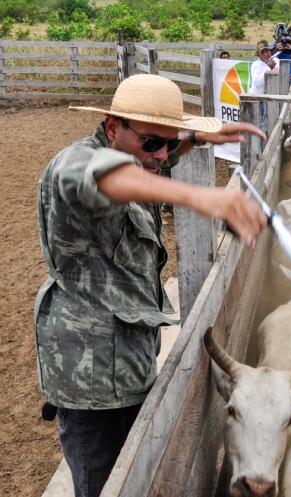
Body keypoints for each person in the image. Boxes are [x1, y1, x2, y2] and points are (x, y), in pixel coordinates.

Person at [35, 74, 268, 497]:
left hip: (128, 360)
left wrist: (194, 140)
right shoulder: (74, 162)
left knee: (139, 473)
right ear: (111, 128)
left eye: (168, 140)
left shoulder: (143, 159)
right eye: (151, 143)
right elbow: (99, 174)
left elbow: (151, 158)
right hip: (90, 383)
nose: (161, 153)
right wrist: (198, 196)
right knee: (104, 485)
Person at [251, 40, 279, 129]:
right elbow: (257, 83)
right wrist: (268, 68)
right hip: (258, 98)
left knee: (271, 124)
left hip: (272, 97)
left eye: (268, 50)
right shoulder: (255, 65)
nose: (267, 53)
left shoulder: (277, 61)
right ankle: (260, 142)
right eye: (264, 52)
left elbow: (281, 76)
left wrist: (273, 67)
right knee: (259, 124)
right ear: (259, 54)